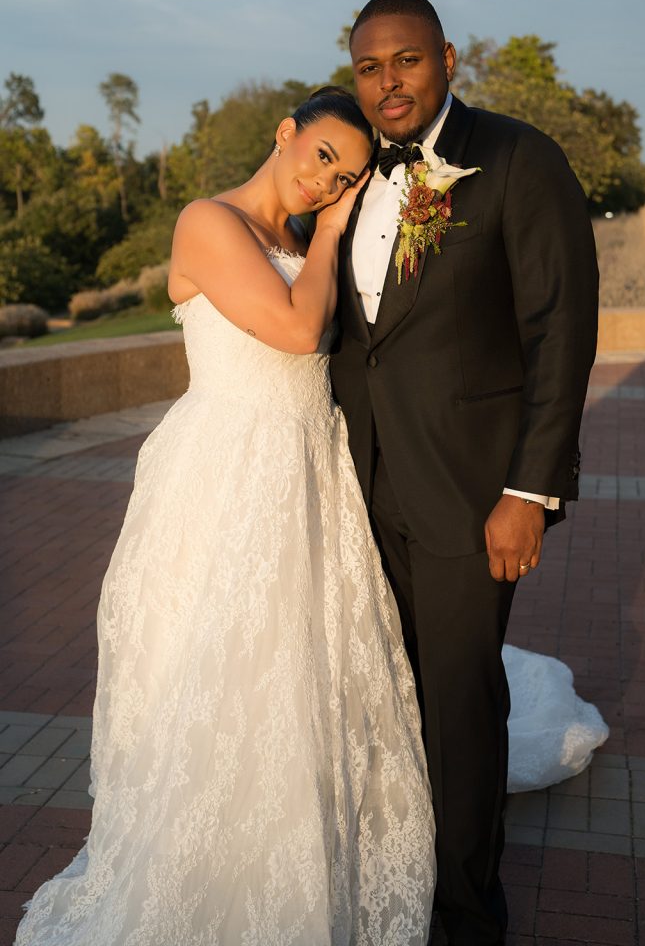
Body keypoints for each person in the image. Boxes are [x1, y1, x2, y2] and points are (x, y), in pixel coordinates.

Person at [14, 87, 437, 946]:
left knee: (308, 670)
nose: (327, 183)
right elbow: (297, 331)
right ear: (285, 133)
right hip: (228, 473)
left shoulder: (300, 240)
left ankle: (308, 855)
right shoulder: (208, 222)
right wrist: (332, 230)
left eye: (345, 177)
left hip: (310, 467)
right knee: (224, 667)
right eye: (322, 157)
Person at [329, 0, 601, 945]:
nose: (388, 83)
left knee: (458, 701)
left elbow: (559, 331)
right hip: (356, 488)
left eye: (405, 61)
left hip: (467, 492)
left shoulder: (519, 159)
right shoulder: (348, 175)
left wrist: (528, 491)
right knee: (386, 695)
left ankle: (464, 915)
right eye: (369, 68)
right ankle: (399, 875)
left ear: (446, 59)